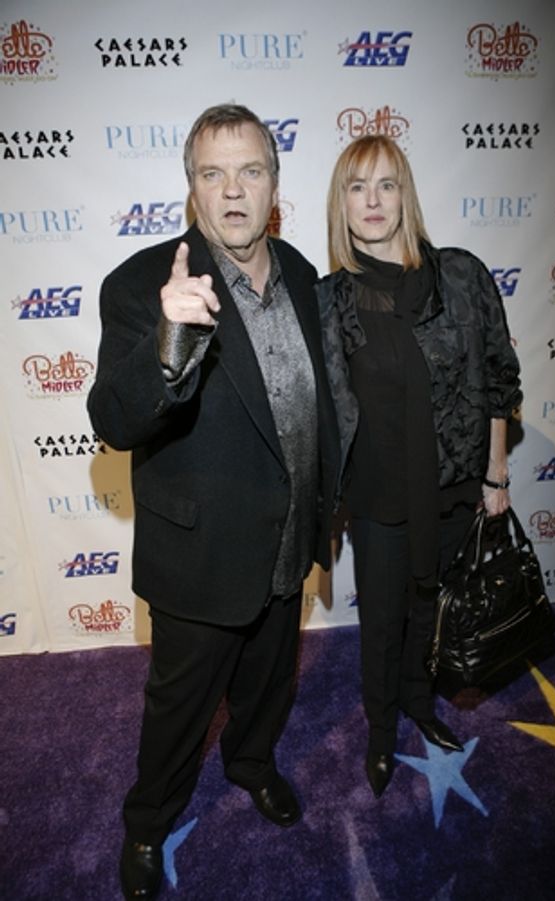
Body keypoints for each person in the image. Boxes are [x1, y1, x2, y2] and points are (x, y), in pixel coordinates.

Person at [87, 104, 340, 900]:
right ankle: (147, 821)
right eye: (212, 173)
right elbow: (113, 420)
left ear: (274, 181)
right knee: (178, 709)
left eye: (251, 170)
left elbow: (320, 400)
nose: (233, 191)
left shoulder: (301, 271)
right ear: (190, 187)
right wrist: (168, 340)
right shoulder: (140, 285)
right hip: (199, 556)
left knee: (270, 683)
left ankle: (253, 762)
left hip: (287, 537)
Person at [317, 135, 522, 798]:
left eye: (385, 184)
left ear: (405, 193)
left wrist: (496, 474)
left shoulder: (461, 275)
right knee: (380, 619)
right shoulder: (330, 300)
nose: (372, 201)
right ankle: (380, 731)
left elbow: (498, 375)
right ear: (340, 204)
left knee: (430, 607)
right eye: (357, 186)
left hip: (455, 484)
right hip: (377, 495)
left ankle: (419, 703)